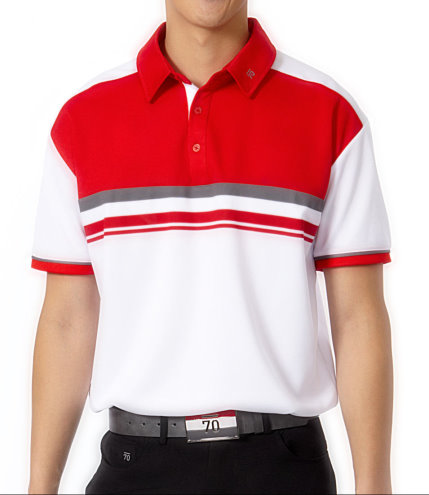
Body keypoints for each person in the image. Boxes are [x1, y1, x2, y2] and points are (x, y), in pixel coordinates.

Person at [28, 1, 393, 494]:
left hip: (284, 468)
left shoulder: (330, 113)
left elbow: (358, 316)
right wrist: (39, 486)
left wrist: (375, 485)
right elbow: (66, 321)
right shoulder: (83, 121)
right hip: (136, 465)